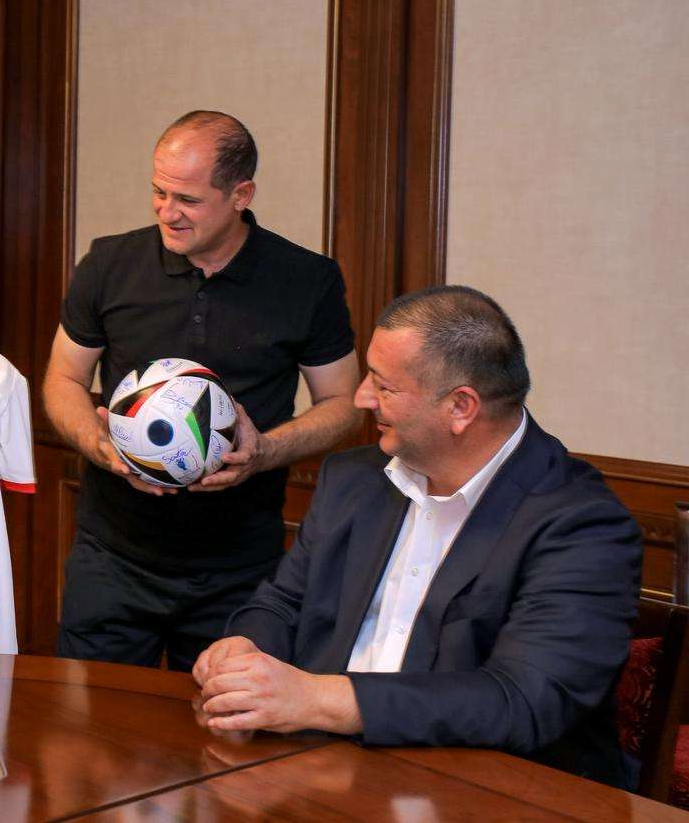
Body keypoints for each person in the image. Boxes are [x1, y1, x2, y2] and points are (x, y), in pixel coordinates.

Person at [193, 286, 642, 787]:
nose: (362, 398)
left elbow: (523, 700)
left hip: (488, 791)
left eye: (384, 386)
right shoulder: (353, 479)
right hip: (319, 770)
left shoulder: (582, 525)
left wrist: (316, 699)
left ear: (461, 407)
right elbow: (283, 603)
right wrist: (245, 648)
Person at [44, 111, 361, 671]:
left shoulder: (306, 281)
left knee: (223, 719)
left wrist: (265, 450)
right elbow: (64, 378)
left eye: (187, 199)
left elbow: (343, 404)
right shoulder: (109, 264)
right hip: (112, 559)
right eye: (159, 192)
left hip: (239, 571)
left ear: (241, 195)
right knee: (96, 720)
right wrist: (100, 448)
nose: (167, 212)